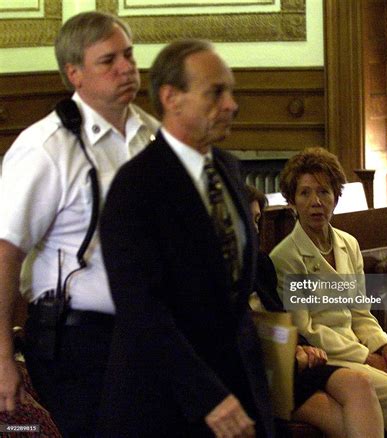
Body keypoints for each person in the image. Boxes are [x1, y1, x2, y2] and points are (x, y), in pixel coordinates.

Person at [98, 39, 274, 437]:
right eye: (216, 92)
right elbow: (141, 309)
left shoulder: (228, 168)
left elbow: (233, 294)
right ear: (171, 98)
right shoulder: (136, 186)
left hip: (237, 391)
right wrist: (206, 394)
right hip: (166, 404)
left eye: (231, 91)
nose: (231, 104)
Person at [0, 11, 159, 437]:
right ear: (75, 73)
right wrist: (0, 359)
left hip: (150, 334)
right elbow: (4, 256)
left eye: (128, 54)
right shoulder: (45, 148)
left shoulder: (153, 137)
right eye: (108, 61)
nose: (126, 67)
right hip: (78, 343)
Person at [269, 147, 387, 438]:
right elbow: (307, 329)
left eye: (323, 192)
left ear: (335, 197)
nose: (315, 202)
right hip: (333, 360)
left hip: (364, 348)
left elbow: (360, 312)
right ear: (292, 201)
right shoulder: (286, 256)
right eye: (305, 193)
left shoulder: (348, 244)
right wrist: (367, 357)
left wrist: (384, 346)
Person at [246, 185, 384, 438]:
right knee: (353, 424)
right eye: (248, 220)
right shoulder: (213, 277)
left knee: (359, 384)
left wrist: (301, 346)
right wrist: (289, 355)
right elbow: (240, 337)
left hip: (293, 362)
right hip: (261, 374)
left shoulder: (259, 263)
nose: (255, 229)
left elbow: (280, 320)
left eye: (257, 220)